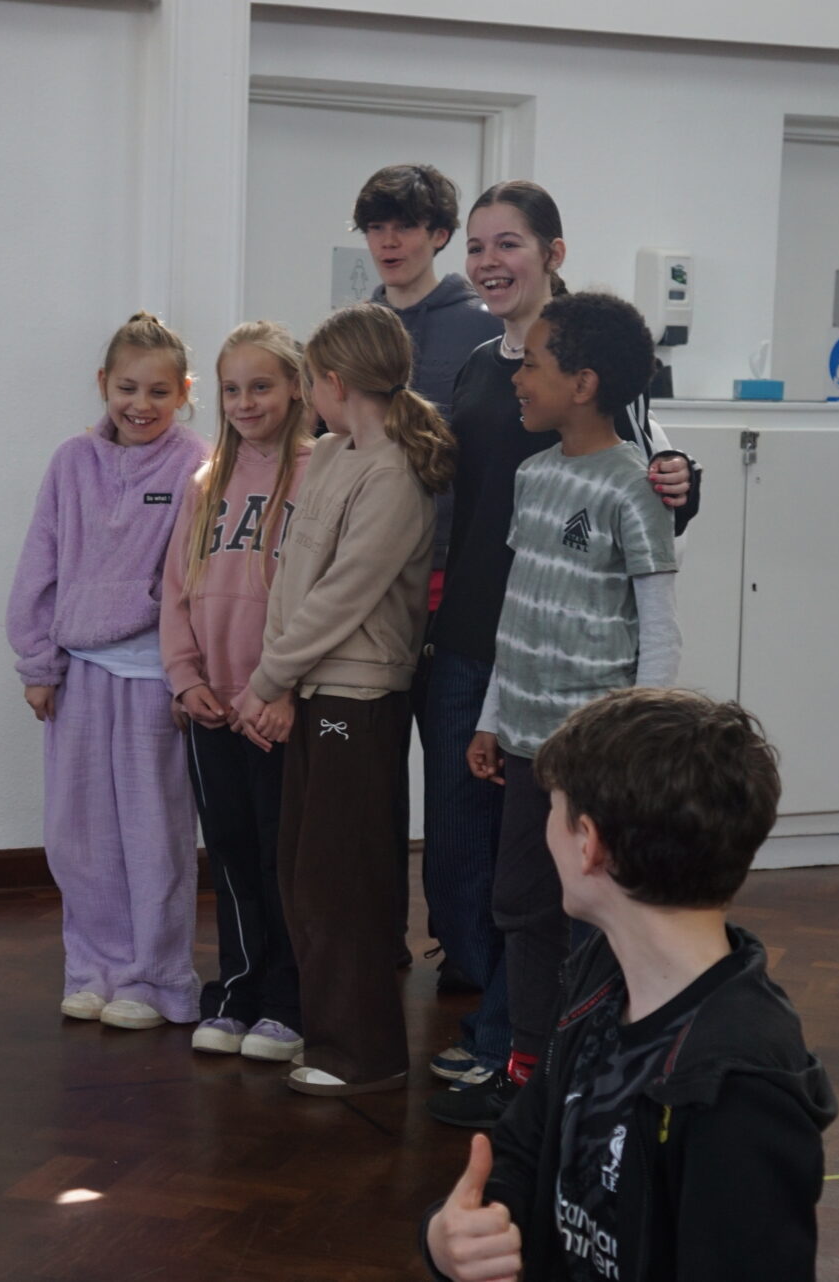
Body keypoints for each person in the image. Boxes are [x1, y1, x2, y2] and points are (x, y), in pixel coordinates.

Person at [424, 182, 698, 1124]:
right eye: (477, 246)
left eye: (508, 242)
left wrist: (644, 732)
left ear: (551, 252)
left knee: (585, 905)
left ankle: (570, 1068)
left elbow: (655, 589)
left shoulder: (617, 431)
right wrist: (494, 712)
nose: (488, 261)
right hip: (506, 688)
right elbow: (501, 574)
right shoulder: (488, 385)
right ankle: (520, 1056)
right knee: (505, 887)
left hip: (591, 730)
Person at [422, 687, 838, 1282]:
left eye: (552, 810)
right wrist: (451, 1235)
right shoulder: (601, 971)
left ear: (589, 844)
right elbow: (525, 1150)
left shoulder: (738, 1085)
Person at [234, 302, 454, 1095]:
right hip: (313, 688)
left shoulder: (394, 473)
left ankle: (364, 1053)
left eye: (305, 382)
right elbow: (294, 579)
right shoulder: (329, 454)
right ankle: (328, 1037)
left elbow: (343, 595)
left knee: (341, 879)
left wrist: (268, 679)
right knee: (304, 873)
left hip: (358, 700)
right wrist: (283, 680)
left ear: (332, 381)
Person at [6, 311, 209, 1031]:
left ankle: (156, 980)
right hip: (80, 677)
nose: (140, 405)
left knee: (154, 837)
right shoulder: (71, 462)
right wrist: (38, 662)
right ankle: (93, 970)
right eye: (127, 388)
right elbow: (40, 561)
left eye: (159, 391)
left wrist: (189, 676)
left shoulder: (197, 464)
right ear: (103, 384)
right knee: (80, 837)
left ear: (184, 392)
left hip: (155, 679)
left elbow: (198, 581)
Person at [356, 163, 503, 984]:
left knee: (456, 790)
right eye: (376, 227)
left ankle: (463, 950)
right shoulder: (355, 330)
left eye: (405, 226)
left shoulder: (481, 329)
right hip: (371, 597)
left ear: (439, 235)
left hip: (455, 594)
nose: (389, 241)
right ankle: (375, 937)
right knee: (368, 784)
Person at [160, 320, 313, 1062]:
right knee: (229, 854)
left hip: (275, 707)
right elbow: (175, 591)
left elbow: (317, 597)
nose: (246, 402)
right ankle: (238, 992)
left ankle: (288, 1002)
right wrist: (184, 678)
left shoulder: (320, 473)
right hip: (213, 708)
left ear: (296, 388)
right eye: (232, 389)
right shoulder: (206, 481)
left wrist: (278, 687)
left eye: (261, 386)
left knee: (283, 859)